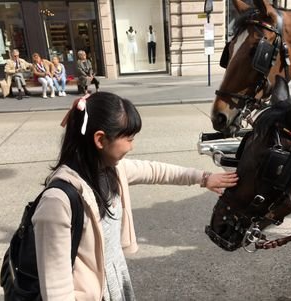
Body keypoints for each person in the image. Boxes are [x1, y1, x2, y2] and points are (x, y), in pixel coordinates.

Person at [32, 92, 239, 300]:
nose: (132, 146)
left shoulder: (110, 169)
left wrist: (204, 178)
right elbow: (56, 287)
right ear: (100, 139)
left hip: (112, 278)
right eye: (129, 139)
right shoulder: (58, 201)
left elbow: (156, 171)